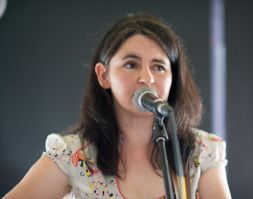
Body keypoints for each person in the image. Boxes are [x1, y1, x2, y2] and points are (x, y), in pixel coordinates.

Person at [3, 12, 231, 199]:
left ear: (174, 79)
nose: (147, 78)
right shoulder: (73, 154)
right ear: (104, 76)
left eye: (159, 67)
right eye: (131, 65)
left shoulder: (201, 151)